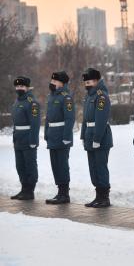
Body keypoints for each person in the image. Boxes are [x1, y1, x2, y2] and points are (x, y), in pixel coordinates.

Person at [81, 68, 113, 208]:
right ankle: (98, 196)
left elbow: (101, 120)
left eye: (89, 82)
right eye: (85, 82)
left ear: (96, 81)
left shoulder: (101, 96)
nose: (86, 84)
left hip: (100, 137)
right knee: (93, 168)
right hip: (89, 135)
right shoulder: (89, 96)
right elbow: (85, 119)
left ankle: (104, 198)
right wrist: (83, 135)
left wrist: (97, 139)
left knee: (100, 167)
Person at [45, 71, 75, 204]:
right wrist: (46, 133)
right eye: (52, 81)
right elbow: (48, 118)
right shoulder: (51, 97)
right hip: (52, 136)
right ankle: (59, 191)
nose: (52, 83)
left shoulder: (66, 97)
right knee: (55, 165)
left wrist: (67, 136)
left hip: (62, 136)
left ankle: (65, 194)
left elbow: (70, 118)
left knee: (62, 165)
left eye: (55, 81)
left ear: (62, 83)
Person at [10, 76, 40, 200]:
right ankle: (23, 189)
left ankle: (29, 191)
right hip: (18, 138)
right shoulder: (17, 102)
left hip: (28, 138)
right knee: (20, 165)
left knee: (30, 165)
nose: (19, 88)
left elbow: (35, 123)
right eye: (17, 86)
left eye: (21, 86)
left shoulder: (31, 102)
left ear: (27, 88)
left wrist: (33, 140)